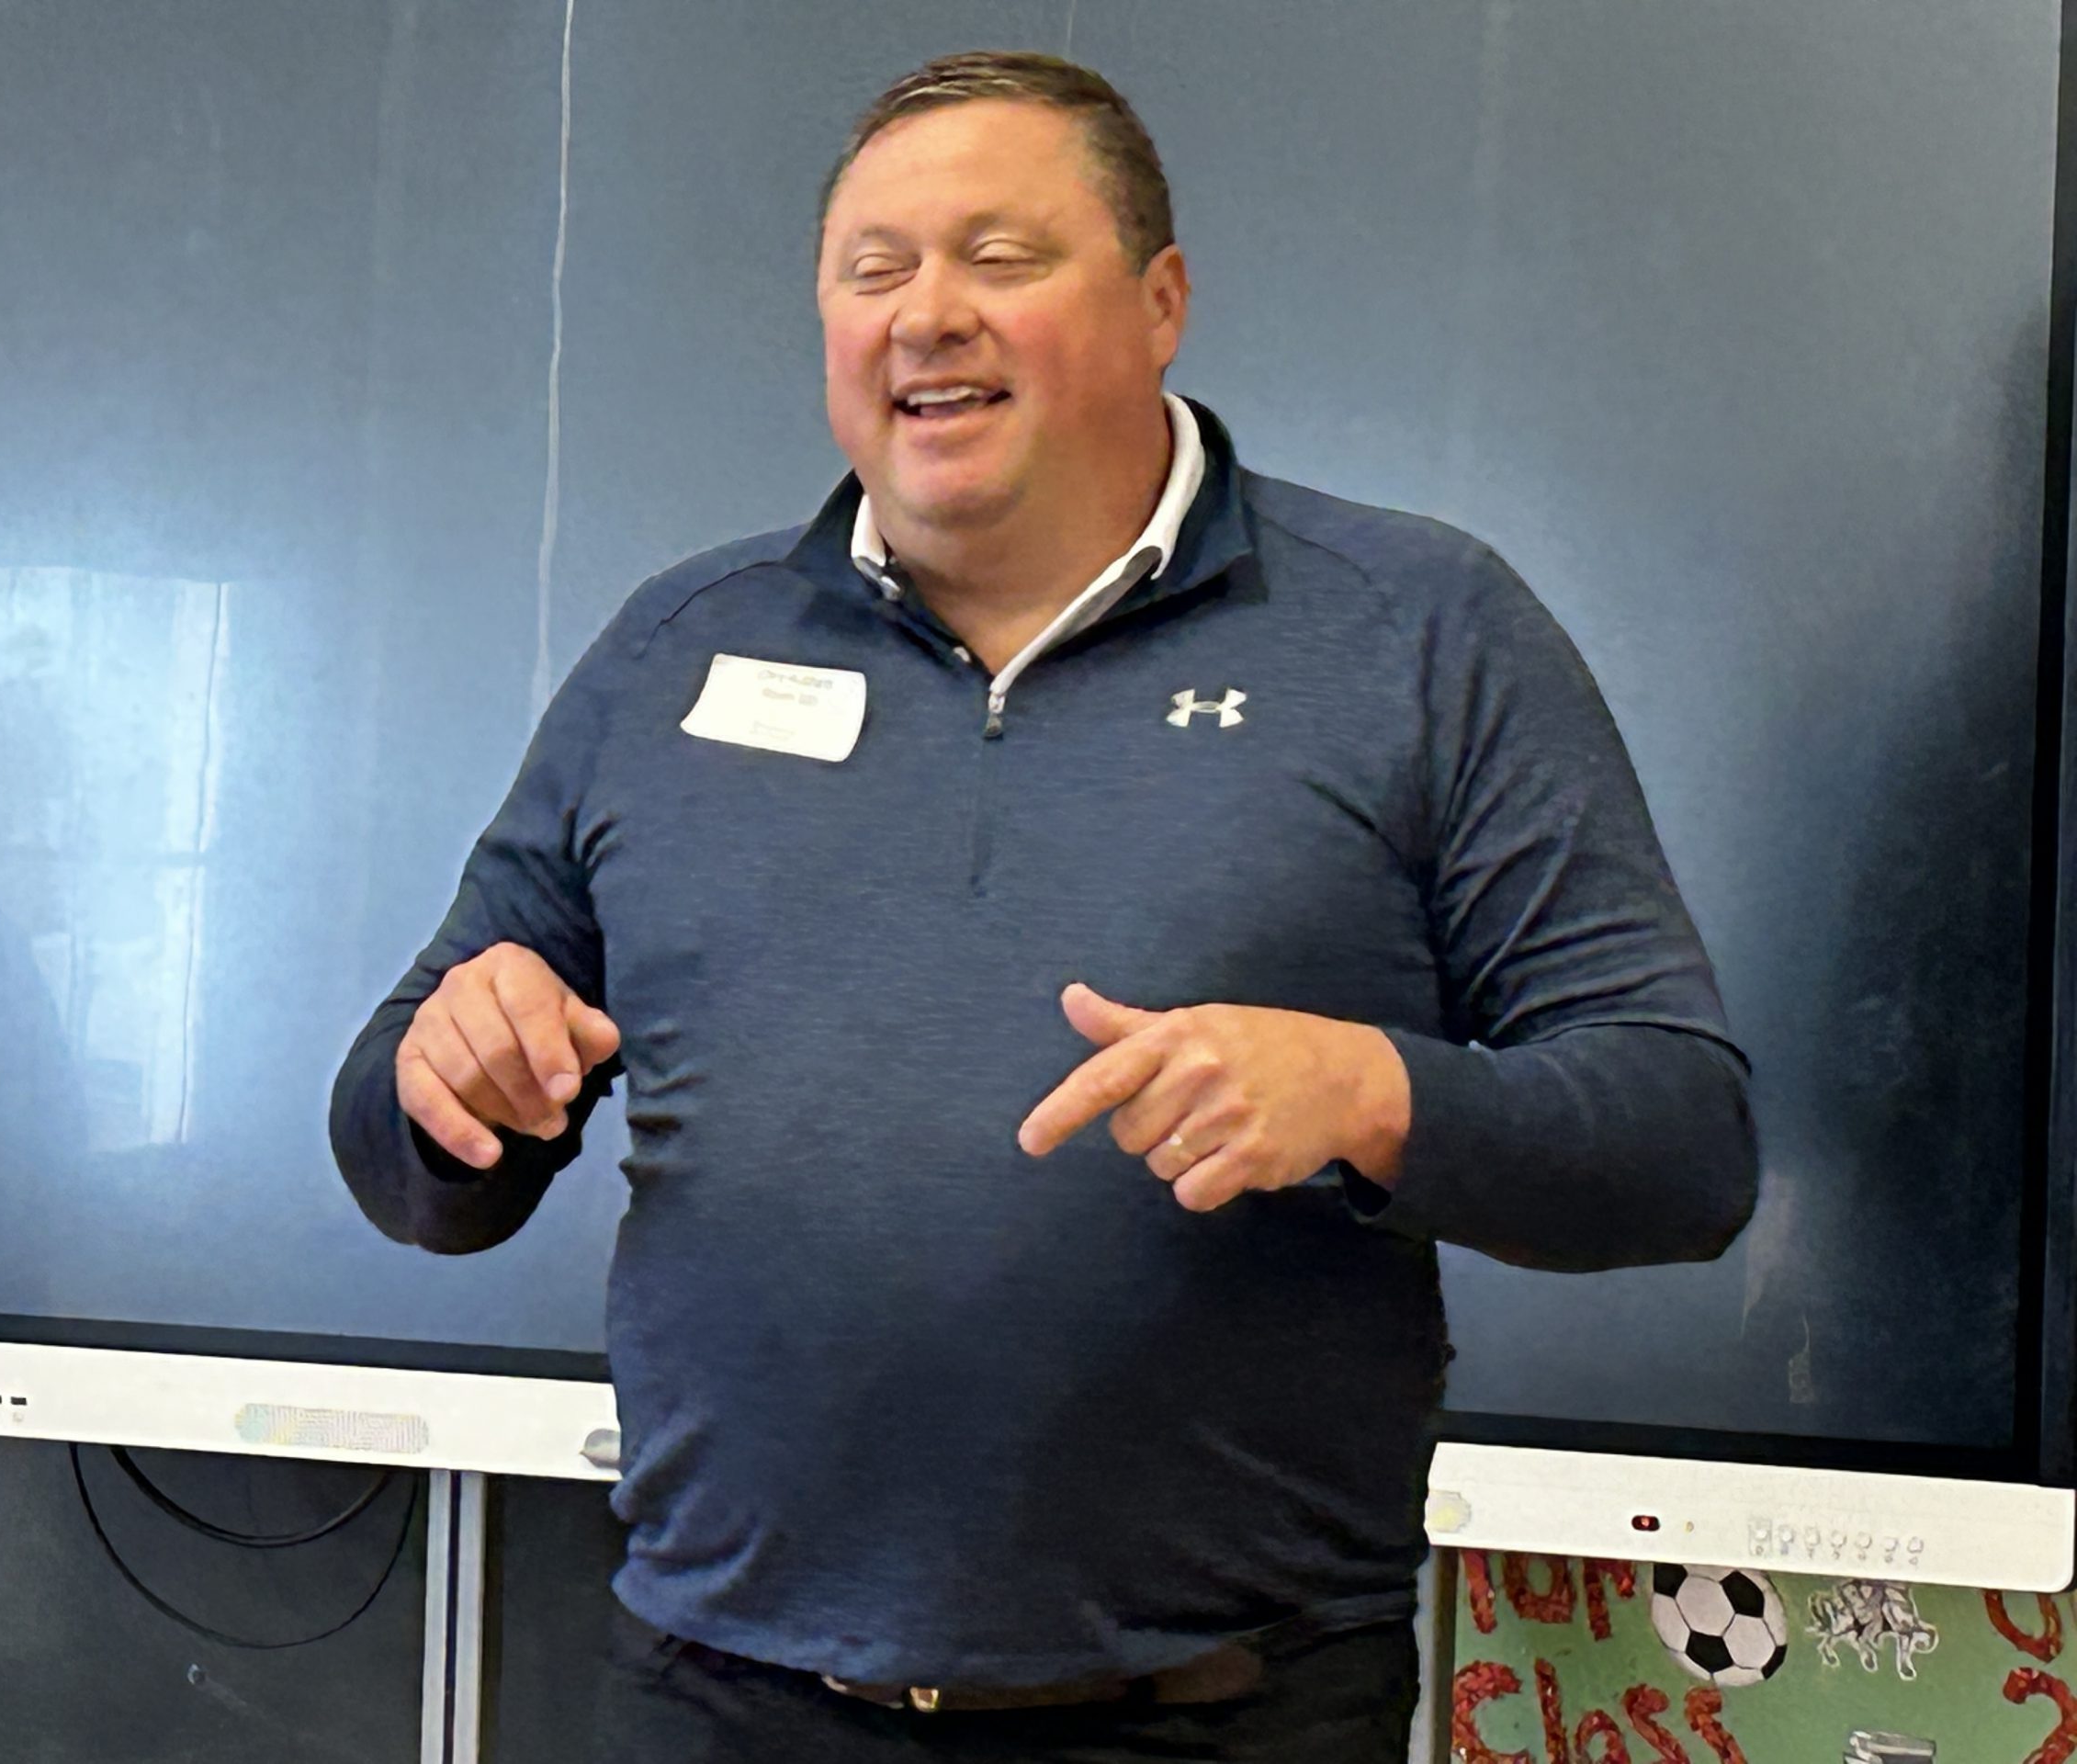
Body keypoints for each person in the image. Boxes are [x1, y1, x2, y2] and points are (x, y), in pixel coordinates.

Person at [331, 49, 1759, 1763]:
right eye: (875, 271)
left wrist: (1375, 1095)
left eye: (1001, 258)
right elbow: (407, 1155)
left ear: (1162, 304)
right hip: (713, 1694)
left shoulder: (1418, 633)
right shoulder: (672, 652)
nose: (927, 314)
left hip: (1219, 1715)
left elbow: (1683, 1140)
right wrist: (448, 1079)